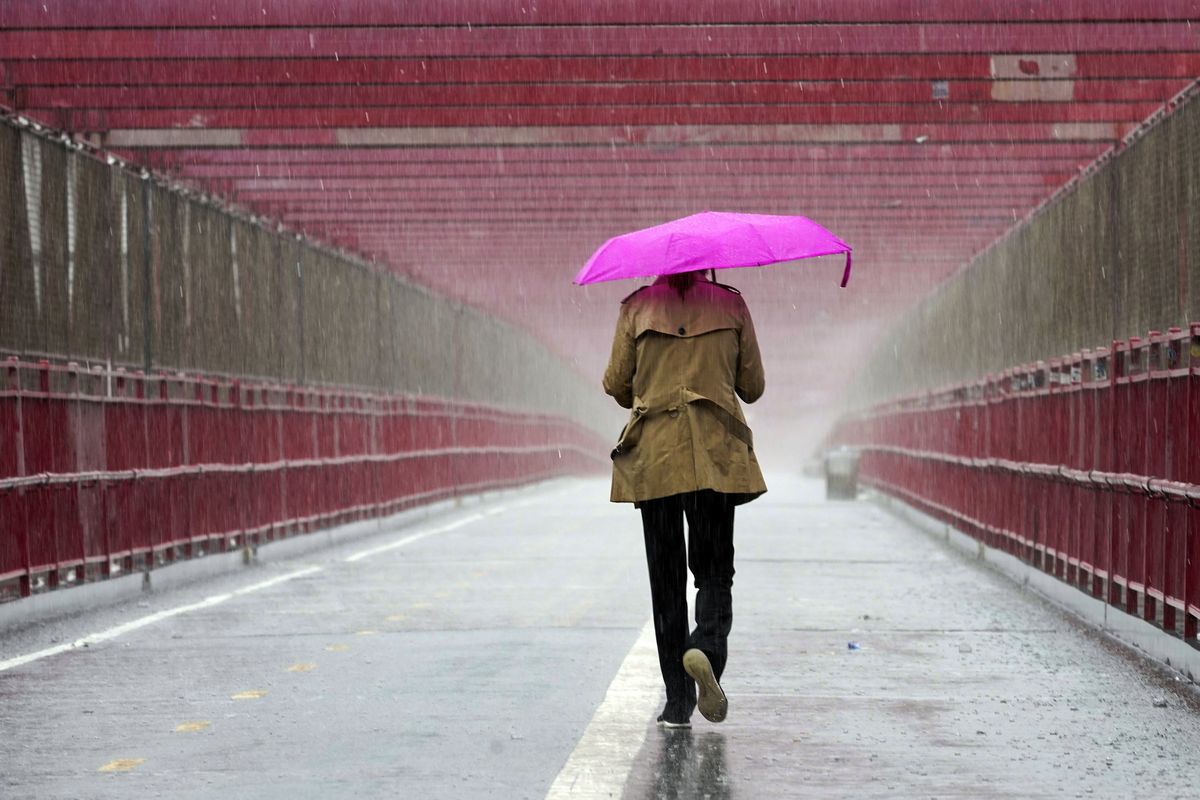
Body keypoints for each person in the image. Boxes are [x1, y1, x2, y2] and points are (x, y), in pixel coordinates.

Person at [602, 268, 766, 728]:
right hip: (714, 458)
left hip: (655, 461)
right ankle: (706, 649)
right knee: (714, 571)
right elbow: (752, 387)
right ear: (708, 263)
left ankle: (677, 702)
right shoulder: (731, 305)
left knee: (666, 581)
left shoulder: (636, 306)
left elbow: (617, 385)